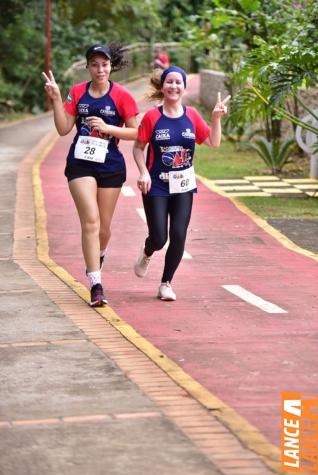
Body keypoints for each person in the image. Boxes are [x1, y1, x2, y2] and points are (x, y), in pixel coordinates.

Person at [42, 43, 139, 307]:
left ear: (111, 67)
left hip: (110, 165)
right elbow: (63, 129)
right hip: (80, 164)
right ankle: (96, 282)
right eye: (94, 64)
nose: (100, 69)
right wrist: (55, 99)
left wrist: (109, 127)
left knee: (104, 228)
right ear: (88, 67)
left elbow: (137, 133)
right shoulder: (77, 93)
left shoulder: (122, 96)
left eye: (104, 64)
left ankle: (99, 255)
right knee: (91, 221)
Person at [133, 66, 230, 301]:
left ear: (184, 88)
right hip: (156, 185)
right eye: (169, 82)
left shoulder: (192, 115)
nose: (174, 86)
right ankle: (147, 252)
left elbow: (213, 142)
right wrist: (143, 172)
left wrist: (216, 119)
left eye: (178, 82)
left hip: (183, 185)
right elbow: (138, 148)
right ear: (163, 86)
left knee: (178, 234)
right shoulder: (152, 117)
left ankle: (166, 283)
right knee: (159, 237)